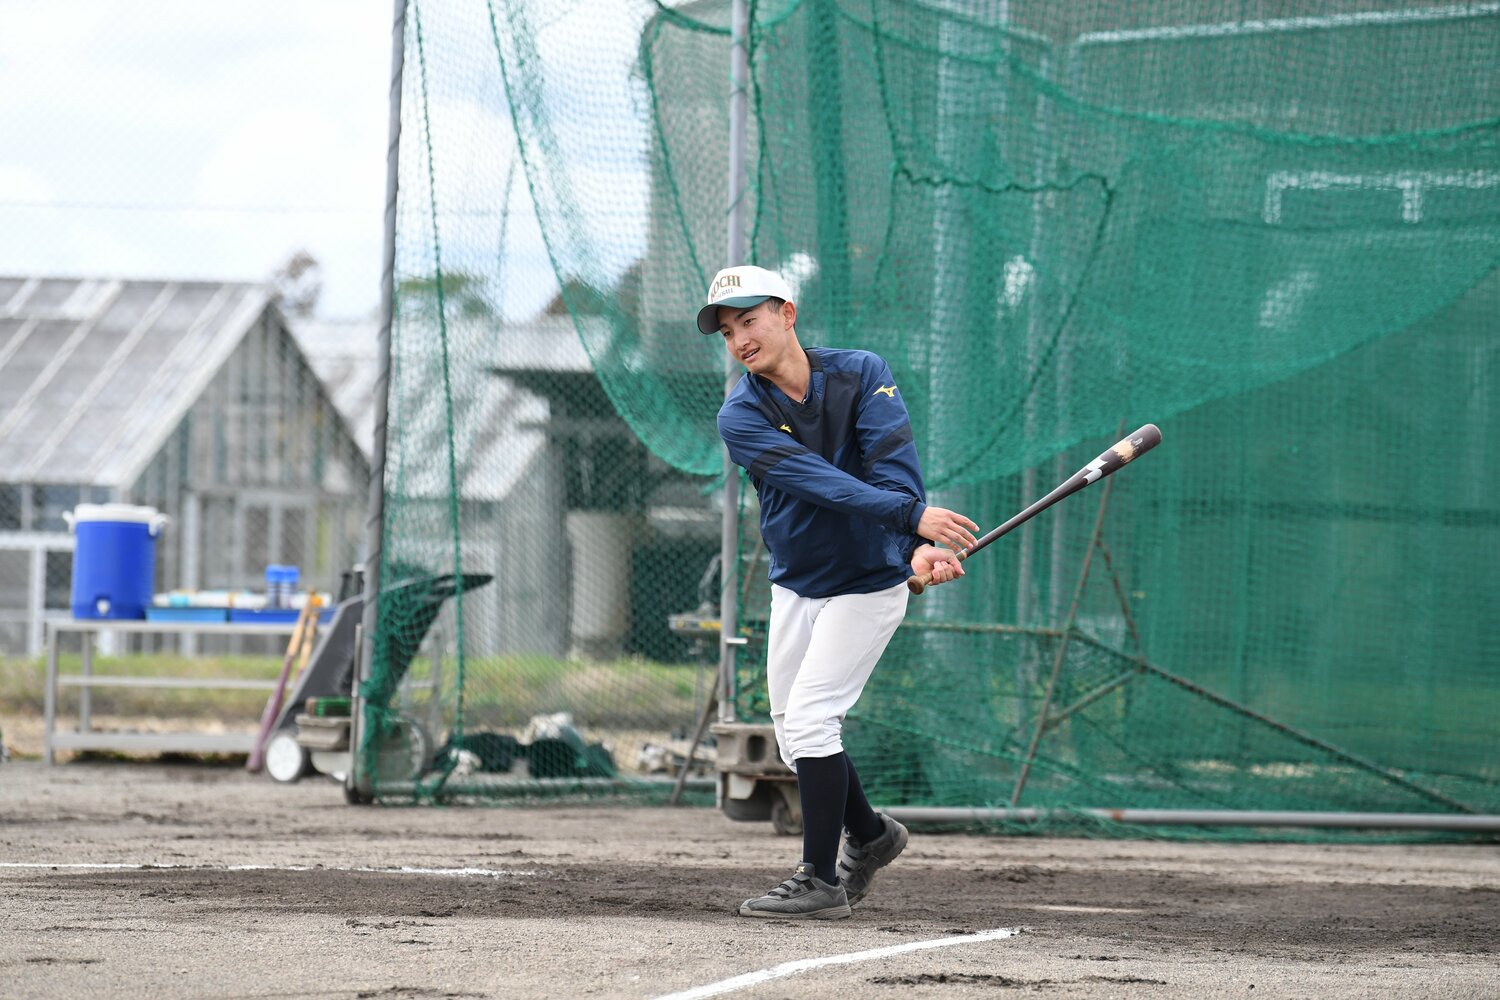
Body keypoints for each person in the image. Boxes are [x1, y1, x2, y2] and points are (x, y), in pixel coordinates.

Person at [698, 264, 978, 919]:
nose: (739, 338)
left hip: (868, 584)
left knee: (816, 718)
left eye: (750, 319)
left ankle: (820, 880)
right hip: (796, 585)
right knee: (797, 739)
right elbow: (820, 482)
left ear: (787, 313)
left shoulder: (861, 373)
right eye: (728, 329)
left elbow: (895, 476)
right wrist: (913, 524)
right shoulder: (741, 414)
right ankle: (874, 836)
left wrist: (915, 547)